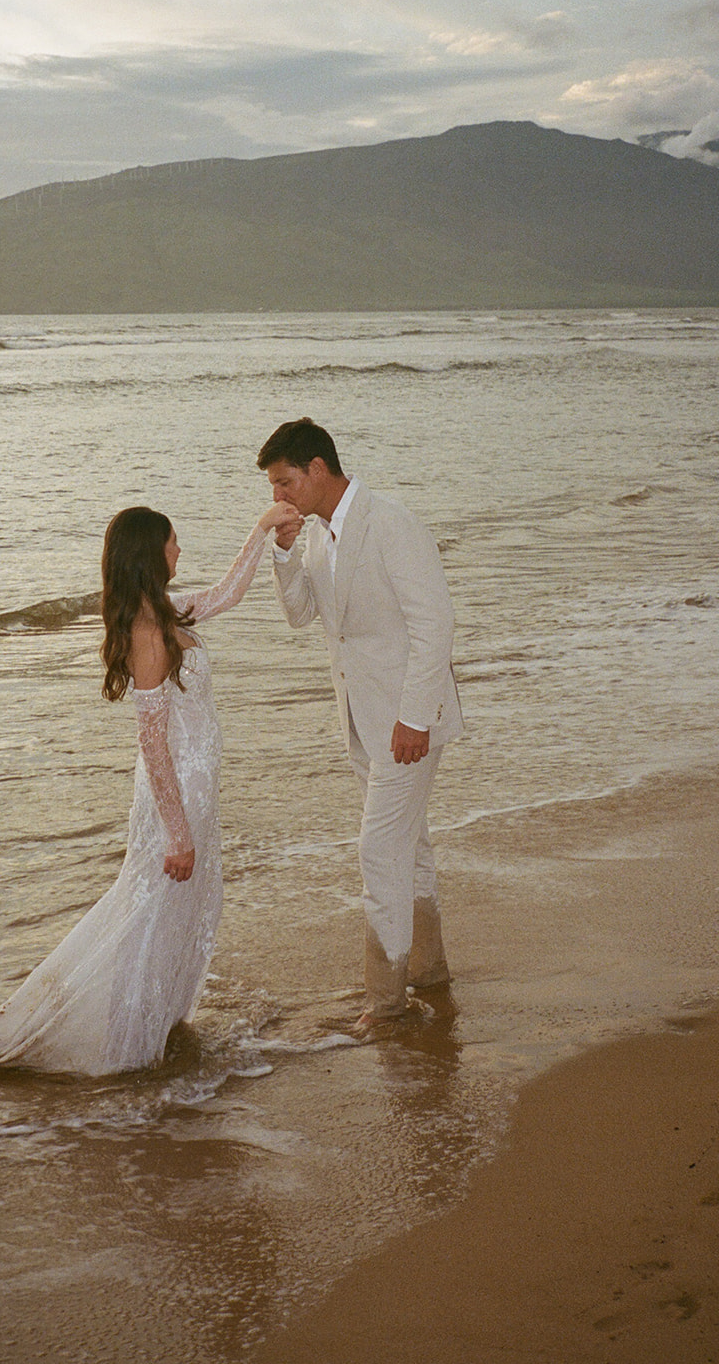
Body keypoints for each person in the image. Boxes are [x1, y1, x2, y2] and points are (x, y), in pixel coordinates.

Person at [0, 498, 299, 1077]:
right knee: (146, 914)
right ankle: (123, 1046)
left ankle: (157, 1022)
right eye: (173, 542)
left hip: (197, 792)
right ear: (151, 554)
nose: (180, 550)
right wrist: (177, 834)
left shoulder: (167, 611)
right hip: (173, 797)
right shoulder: (148, 632)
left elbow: (227, 593)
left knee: (175, 911)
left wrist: (262, 530)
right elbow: (153, 745)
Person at [257, 418, 463, 1033]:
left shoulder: (390, 523)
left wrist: (413, 718)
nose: (277, 498)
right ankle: (428, 969)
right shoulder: (317, 536)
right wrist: (285, 550)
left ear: (318, 469)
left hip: (407, 722)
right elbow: (300, 616)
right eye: (273, 487)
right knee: (410, 847)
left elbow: (435, 624)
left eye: (284, 482)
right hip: (360, 719)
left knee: (378, 850)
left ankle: (387, 1000)